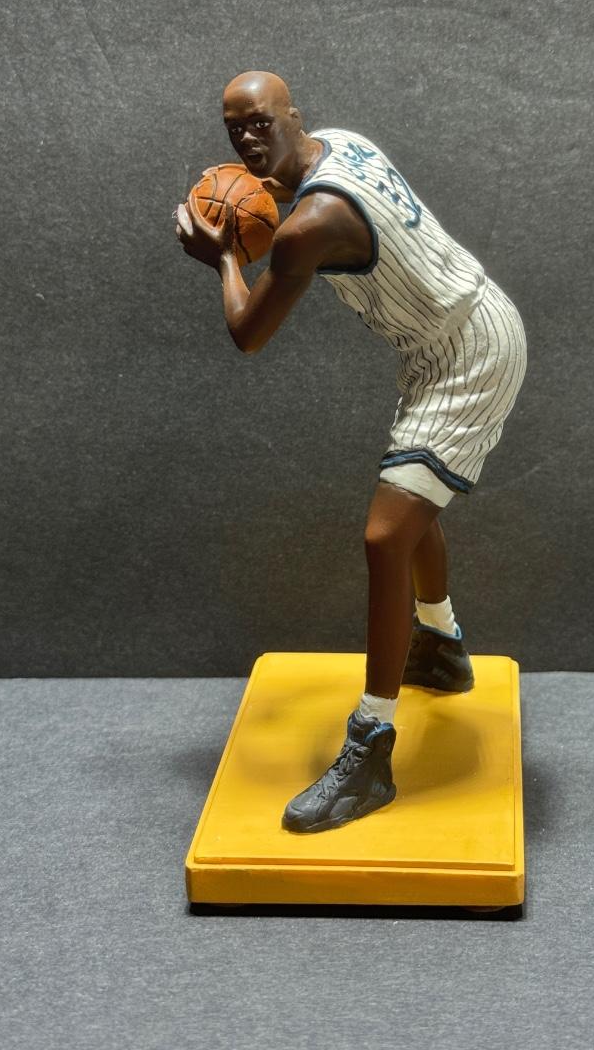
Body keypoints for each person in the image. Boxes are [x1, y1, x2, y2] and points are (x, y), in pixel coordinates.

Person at [175, 71, 526, 835]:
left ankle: (371, 747)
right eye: (235, 129)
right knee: (412, 502)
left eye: (261, 123)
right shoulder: (343, 144)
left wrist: (225, 257)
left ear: (293, 116)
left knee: (384, 535)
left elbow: (249, 333)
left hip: (470, 355)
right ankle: (441, 645)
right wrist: (249, 207)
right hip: (446, 341)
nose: (247, 140)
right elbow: (295, 194)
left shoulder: (311, 227)